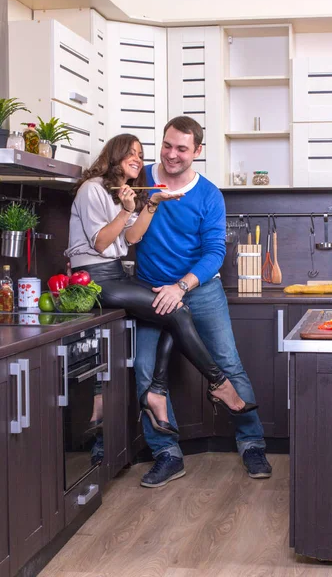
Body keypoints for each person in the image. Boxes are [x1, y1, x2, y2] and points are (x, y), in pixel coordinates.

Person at [64, 133, 256, 440]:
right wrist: (129, 209)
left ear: (197, 151)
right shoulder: (92, 188)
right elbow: (101, 244)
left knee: (175, 315)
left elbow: (130, 239)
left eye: (140, 154)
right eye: (131, 152)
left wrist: (150, 203)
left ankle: (165, 395)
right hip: (96, 279)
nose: (139, 159)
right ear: (114, 155)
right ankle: (217, 385)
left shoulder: (126, 192)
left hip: (118, 276)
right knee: (172, 319)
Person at [134, 116, 272, 488]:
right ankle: (166, 453)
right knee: (145, 370)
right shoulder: (140, 180)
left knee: (228, 363)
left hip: (199, 289)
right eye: (167, 145)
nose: (172, 154)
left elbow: (214, 252)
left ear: (197, 151)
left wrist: (181, 286)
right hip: (148, 291)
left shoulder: (209, 194)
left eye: (182, 148)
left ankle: (252, 442)